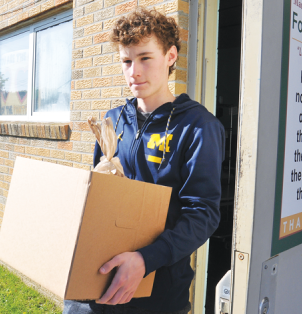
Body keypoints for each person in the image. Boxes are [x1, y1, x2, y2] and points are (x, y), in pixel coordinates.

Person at [63, 7, 225, 314]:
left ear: (171, 56)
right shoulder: (113, 121)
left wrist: (145, 259)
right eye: (127, 61)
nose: (133, 72)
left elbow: (202, 214)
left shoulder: (198, 127)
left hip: (157, 295)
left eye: (145, 58)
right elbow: (98, 193)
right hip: (94, 286)